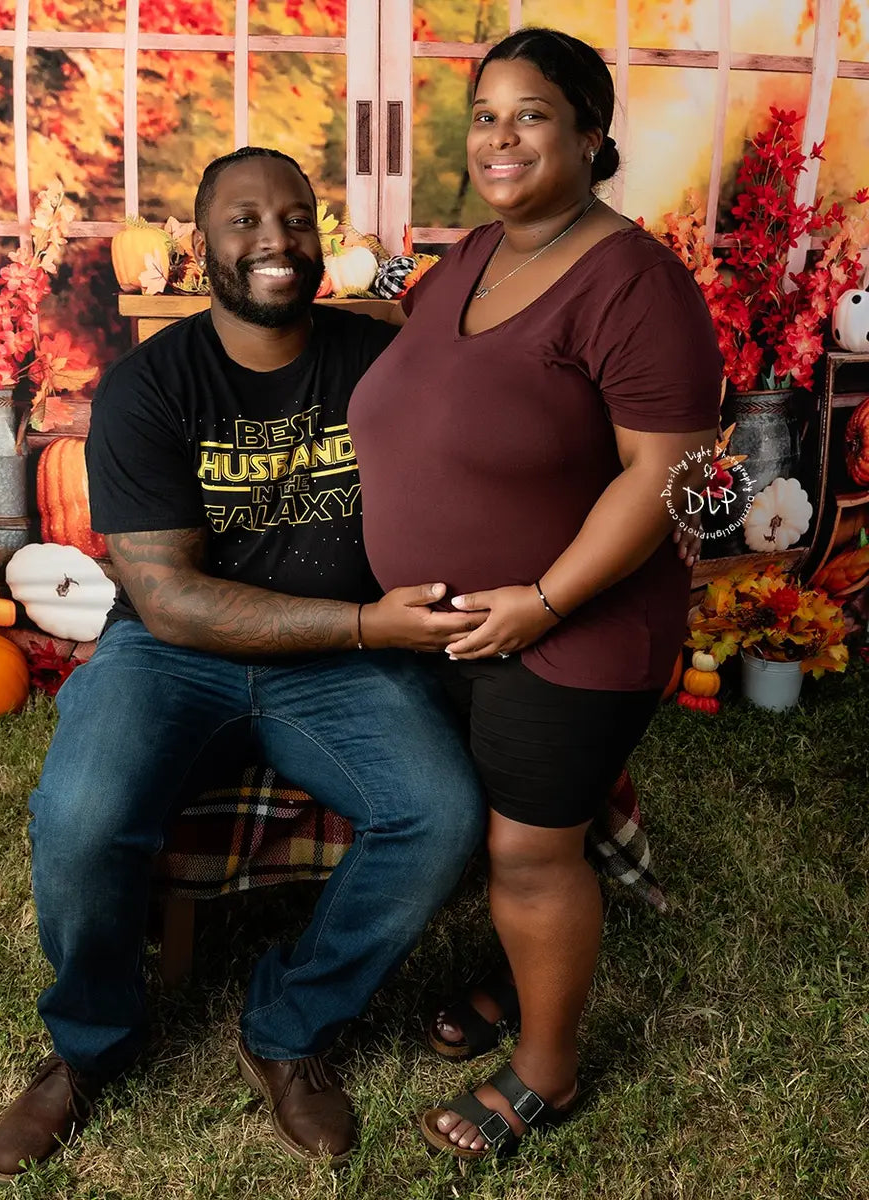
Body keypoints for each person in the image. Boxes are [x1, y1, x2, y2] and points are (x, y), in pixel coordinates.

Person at [0, 147, 490, 1182]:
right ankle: (91, 1044)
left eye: (297, 220)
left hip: (337, 662)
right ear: (200, 243)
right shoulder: (150, 386)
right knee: (80, 815)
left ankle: (289, 1024)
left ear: (322, 238)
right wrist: (366, 629)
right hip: (175, 654)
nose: (275, 243)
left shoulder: (375, 358)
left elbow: (488, 369)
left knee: (439, 814)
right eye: (246, 222)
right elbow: (167, 596)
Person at [349, 27, 723, 1158]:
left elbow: (665, 480)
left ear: (592, 136)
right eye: (488, 114)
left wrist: (544, 602)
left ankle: (548, 1072)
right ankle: (521, 981)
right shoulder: (475, 252)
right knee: (501, 823)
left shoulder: (638, 286)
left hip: (574, 625)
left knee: (528, 853)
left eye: (533, 114)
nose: (501, 137)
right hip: (458, 618)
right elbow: (443, 372)